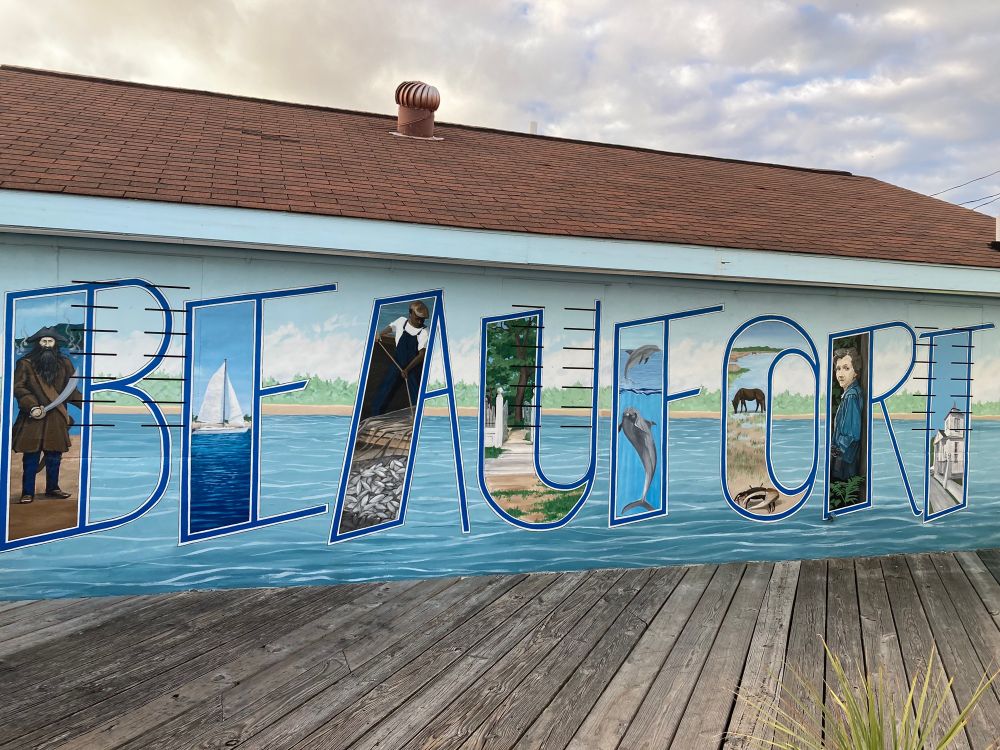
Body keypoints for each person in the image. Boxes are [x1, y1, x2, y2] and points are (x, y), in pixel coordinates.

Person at [11, 327, 82, 503]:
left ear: (55, 344)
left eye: (50, 341)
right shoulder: (25, 364)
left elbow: (71, 391)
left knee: (54, 457)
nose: (47, 345)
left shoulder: (65, 363)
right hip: (32, 417)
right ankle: (27, 492)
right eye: (44, 341)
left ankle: (53, 488)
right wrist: (32, 406)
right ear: (38, 343)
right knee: (31, 457)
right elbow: (19, 388)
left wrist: (86, 406)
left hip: (56, 418)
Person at [370, 301, 430, 416]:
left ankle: (418, 418)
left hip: (413, 366)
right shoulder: (401, 321)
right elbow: (391, 327)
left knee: (415, 394)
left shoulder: (424, 332)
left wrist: (407, 369)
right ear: (410, 313)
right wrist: (380, 334)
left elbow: (421, 355)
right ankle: (375, 415)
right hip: (397, 362)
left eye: (422, 320)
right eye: (418, 318)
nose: (420, 322)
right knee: (385, 388)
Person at [830, 347, 863, 481]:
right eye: (838, 369)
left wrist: (836, 451)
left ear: (855, 372)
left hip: (845, 459)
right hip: (844, 456)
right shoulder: (849, 394)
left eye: (846, 368)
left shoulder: (851, 396)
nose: (840, 374)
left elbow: (852, 432)